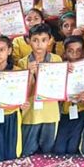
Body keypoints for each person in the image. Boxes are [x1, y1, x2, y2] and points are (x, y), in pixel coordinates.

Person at [16, 23, 63, 156]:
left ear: (50, 41)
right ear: (28, 41)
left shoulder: (56, 59)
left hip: (50, 113)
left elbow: (59, 88)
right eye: (35, 40)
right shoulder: (22, 62)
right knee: (26, 151)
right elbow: (24, 94)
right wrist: (30, 74)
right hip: (30, 115)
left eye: (43, 40)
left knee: (48, 152)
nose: (39, 44)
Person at [0, 36, 29, 163]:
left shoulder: (19, 73)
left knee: (12, 154)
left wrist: (23, 105)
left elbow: (24, 97)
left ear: (9, 50)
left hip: (12, 116)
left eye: (2, 50)